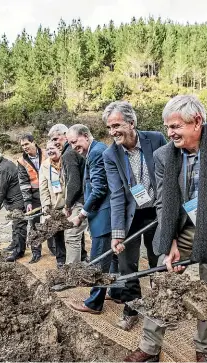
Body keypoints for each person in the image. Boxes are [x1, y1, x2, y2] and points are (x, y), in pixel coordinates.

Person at [124, 95, 207, 362]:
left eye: (175, 126)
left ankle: (203, 349)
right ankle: (150, 348)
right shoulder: (164, 155)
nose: (170, 133)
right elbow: (163, 202)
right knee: (164, 286)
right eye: (167, 127)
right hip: (184, 231)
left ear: (197, 121)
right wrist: (169, 243)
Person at [76, 101, 167, 330]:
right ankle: (132, 307)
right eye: (109, 128)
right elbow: (117, 195)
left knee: (159, 261)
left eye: (116, 125)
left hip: (157, 211)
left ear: (132, 123)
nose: (112, 132)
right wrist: (117, 235)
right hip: (131, 215)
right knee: (128, 264)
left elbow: (169, 175)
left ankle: (159, 305)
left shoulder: (155, 139)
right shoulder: (110, 154)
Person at [66, 124, 119, 314]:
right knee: (113, 257)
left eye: (75, 142)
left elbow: (99, 189)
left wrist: (81, 214)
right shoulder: (96, 150)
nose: (73, 147)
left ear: (86, 136)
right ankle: (117, 291)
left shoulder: (96, 152)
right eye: (70, 144)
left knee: (99, 260)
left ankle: (94, 303)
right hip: (107, 214)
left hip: (103, 215)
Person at [48, 123, 88, 264]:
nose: (55, 143)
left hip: (80, 200)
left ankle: (72, 272)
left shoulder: (68, 154)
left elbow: (74, 183)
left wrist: (68, 204)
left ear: (65, 136)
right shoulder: (71, 152)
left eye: (56, 139)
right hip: (84, 198)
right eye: (52, 140)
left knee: (71, 235)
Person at [0, 148, 28, 262]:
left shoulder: (3, 168)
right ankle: (14, 244)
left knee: (19, 226)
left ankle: (19, 251)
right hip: (13, 200)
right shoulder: (4, 164)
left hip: (17, 201)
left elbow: (0, 190)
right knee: (15, 223)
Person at [17, 133, 50, 263]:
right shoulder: (21, 161)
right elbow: (24, 183)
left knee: (51, 221)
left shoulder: (47, 153)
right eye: (22, 145)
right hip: (34, 195)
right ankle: (36, 252)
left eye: (26, 144)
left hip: (49, 192)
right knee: (34, 223)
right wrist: (27, 201)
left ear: (33, 142)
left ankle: (53, 248)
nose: (25, 147)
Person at [39, 141, 68, 266]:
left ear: (59, 149)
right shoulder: (45, 166)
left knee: (74, 231)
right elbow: (43, 187)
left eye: (52, 148)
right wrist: (46, 205)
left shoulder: (67, 161)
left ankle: (81, 255)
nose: (50, 151)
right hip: (54, 205)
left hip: (68, 203)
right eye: (47, 149)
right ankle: (61, 259)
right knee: (57, 232)